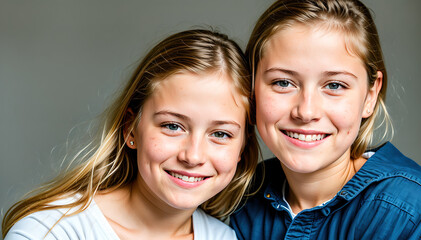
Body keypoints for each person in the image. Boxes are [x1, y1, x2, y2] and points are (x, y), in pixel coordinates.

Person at [2, 29, 259, 240]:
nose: (192, 156)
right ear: (130, 129)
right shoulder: (49, 231)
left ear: (242, 149)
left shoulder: (226, 238)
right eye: (172, 126)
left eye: (221, 134)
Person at [230, 0, 421, 239]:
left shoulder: (416, 215)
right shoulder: (242, 200)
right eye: (283, 82)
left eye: (334, 85)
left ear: (370, 95)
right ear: (250, 89)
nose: (306, 111)